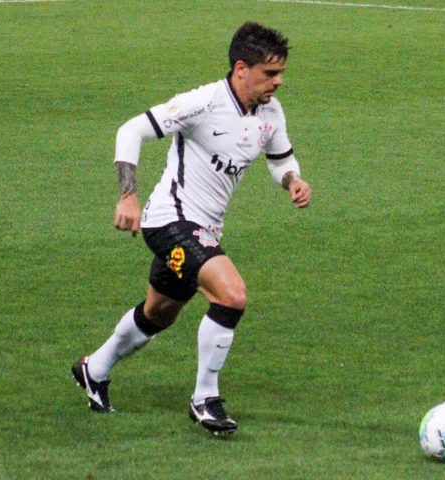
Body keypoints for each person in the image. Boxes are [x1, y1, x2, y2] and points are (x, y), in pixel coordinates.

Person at [71, 22, 312, 436]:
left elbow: (279, 158)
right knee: (232, 295)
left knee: (159, 314)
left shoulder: (270, 112)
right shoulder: (202, 103)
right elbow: (131, 130)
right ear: (241, 68)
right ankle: (205, 398)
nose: (279, 81)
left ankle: (94, 368)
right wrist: (128, 195)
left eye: (281, 72)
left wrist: (292, 180)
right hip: (169, 221)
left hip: (206, 229)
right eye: (270, 73)